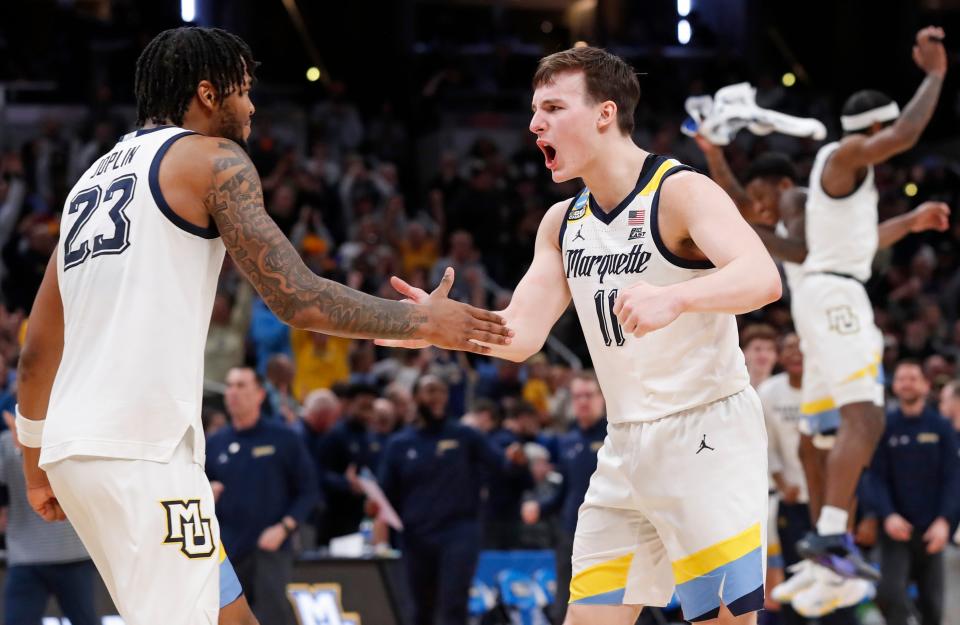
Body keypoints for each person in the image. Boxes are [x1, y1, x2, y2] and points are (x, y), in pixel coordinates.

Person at [14, 26, 511, 625]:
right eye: (244, 91)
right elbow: (296, 297)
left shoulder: (86, 187)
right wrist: (422, 323)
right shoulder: (212, 159)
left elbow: (38, 347)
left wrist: (35, 463)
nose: (251, 107)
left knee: (232, 617)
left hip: (77, 449)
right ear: (207, 92)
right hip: (139, 447)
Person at [382, 46, 782, 625]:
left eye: (552, 107)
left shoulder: (680, 192)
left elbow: (762, 277)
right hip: (623, 447)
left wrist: (676, 296)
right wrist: (444, 329)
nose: (534, 123)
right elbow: (519, 335)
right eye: (533, 110)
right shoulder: (562, 222)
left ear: (604, 113)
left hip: (707, 434)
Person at [378, 375, 528, 625]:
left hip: (459, 533)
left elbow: (501, 464)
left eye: (442, 391)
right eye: (430, 390)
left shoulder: (465, 435)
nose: (437, 397)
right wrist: (374, 509)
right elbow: (384, 495)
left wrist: (516, 462)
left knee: (453, 606)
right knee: (419, 610)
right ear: (416, 397)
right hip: (416, 537)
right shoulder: (399, 444)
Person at [206, 367, 320, 625]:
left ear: (259, 394)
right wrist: (206, 493)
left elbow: (309, 490)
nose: (233, 392)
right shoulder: (214, 443)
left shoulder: (283, 438)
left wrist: (285, 526)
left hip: (270, 548)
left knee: (274, 616)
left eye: (241, 385)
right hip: (227, 550)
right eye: (230, 385)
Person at [867, 361, 960, 625]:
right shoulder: (886, 425)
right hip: (897, 528)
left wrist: (945, 521)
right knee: (889, 593)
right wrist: (887, 515)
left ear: (925, 385)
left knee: (933, 605)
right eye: (901, 378)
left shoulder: (941, 426)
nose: (907, 383)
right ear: (894, 386)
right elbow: (875, 477)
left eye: (913, 378)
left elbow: (954, 478)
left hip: (933, 528)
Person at [521, 370, 607, 623]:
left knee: (611, 605)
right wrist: (539, 507)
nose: (582, 401)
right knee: (564, 605)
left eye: (588, 395)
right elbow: (564, 490)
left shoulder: (615, 436)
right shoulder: (567, 440)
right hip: (571, 533)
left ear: (601, 398)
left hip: (609, 534)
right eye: (577, 396)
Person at [0, 412, 97, 625]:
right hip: (26, 557)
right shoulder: (5, 445)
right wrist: (19, 443)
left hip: (73, 555)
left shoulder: (72, 440)